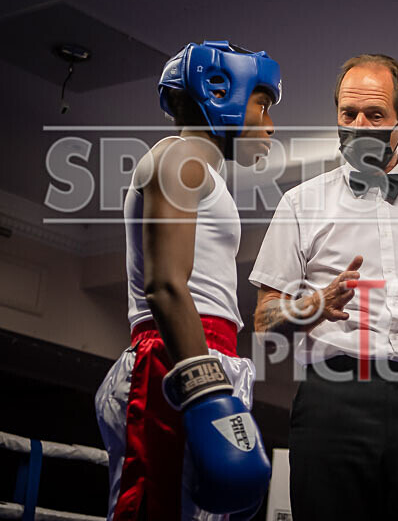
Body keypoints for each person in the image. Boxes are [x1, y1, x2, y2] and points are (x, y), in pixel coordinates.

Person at [249, 54, 398, 520]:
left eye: (375, 115)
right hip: (333, 399)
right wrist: (315, 305)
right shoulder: (301, 202)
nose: (359, 125)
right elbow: (264, 320)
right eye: (348, 114)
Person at [94, 40, 281, 520]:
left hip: (203, 354)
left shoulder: (204, 174)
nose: (270, 123)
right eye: (262, 103)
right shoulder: (179, 158)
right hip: (176, 357)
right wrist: (206, 389)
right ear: (223, 92)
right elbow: (166, 286)